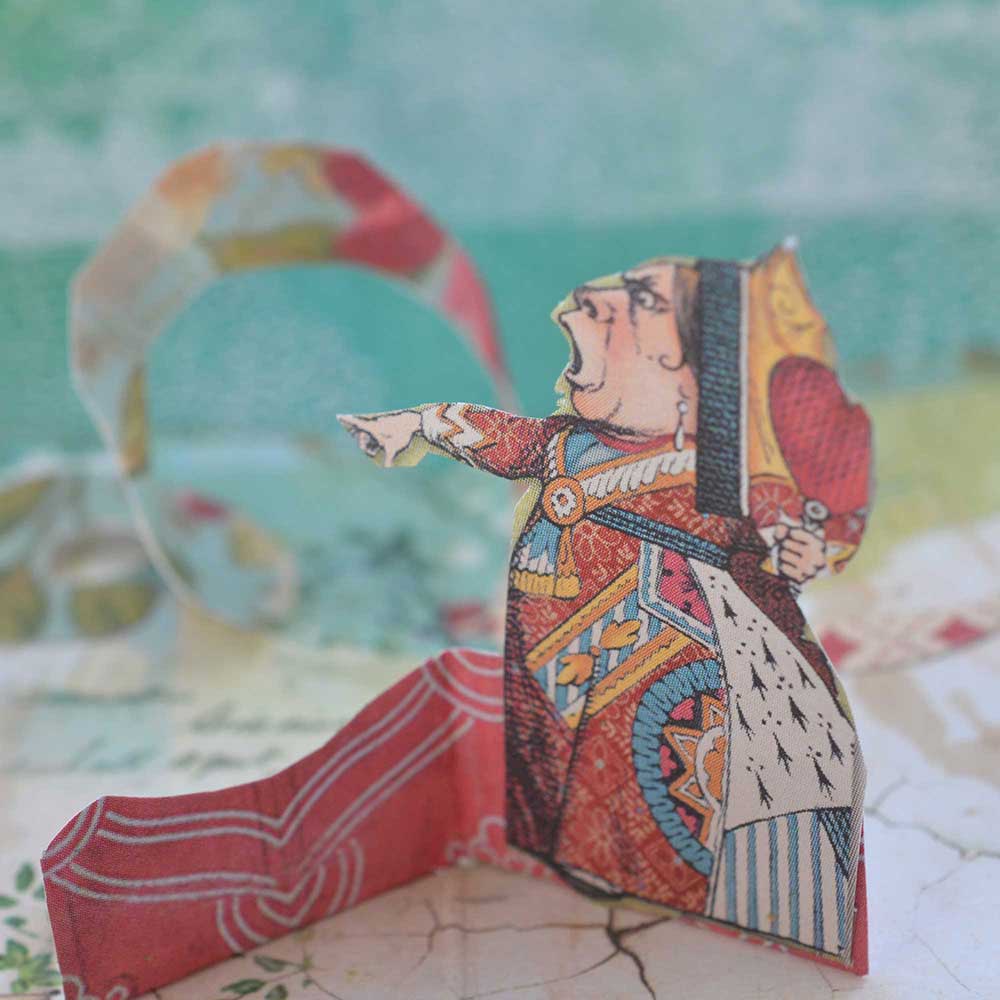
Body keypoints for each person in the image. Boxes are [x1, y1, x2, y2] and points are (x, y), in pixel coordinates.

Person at [339, 251, 871, 962]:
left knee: (640, 810)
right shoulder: (568, 443)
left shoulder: (720, 474)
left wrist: (804, 547)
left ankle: (663, 894)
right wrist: (419, 424)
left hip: (657, 683)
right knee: (555, 798)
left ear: (695, 369)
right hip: (553, 678)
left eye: (642, 301)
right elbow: (502, 439)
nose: (586, 303)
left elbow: (783, 530)